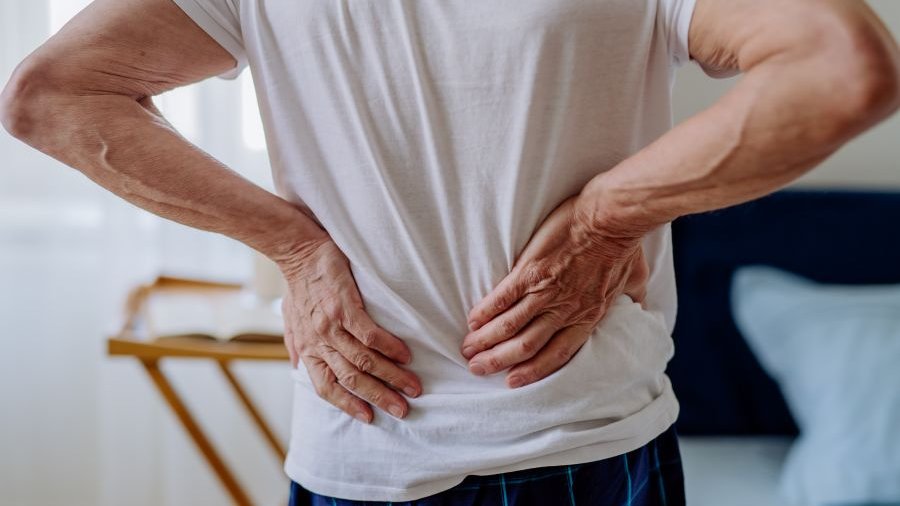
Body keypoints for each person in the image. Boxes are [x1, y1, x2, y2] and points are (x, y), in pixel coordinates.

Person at [2, 0, 898, 504]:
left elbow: (843, 71)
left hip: (568, 439)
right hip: (388, 447)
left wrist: (606, 217)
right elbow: (48, 96)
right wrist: (296, 248)